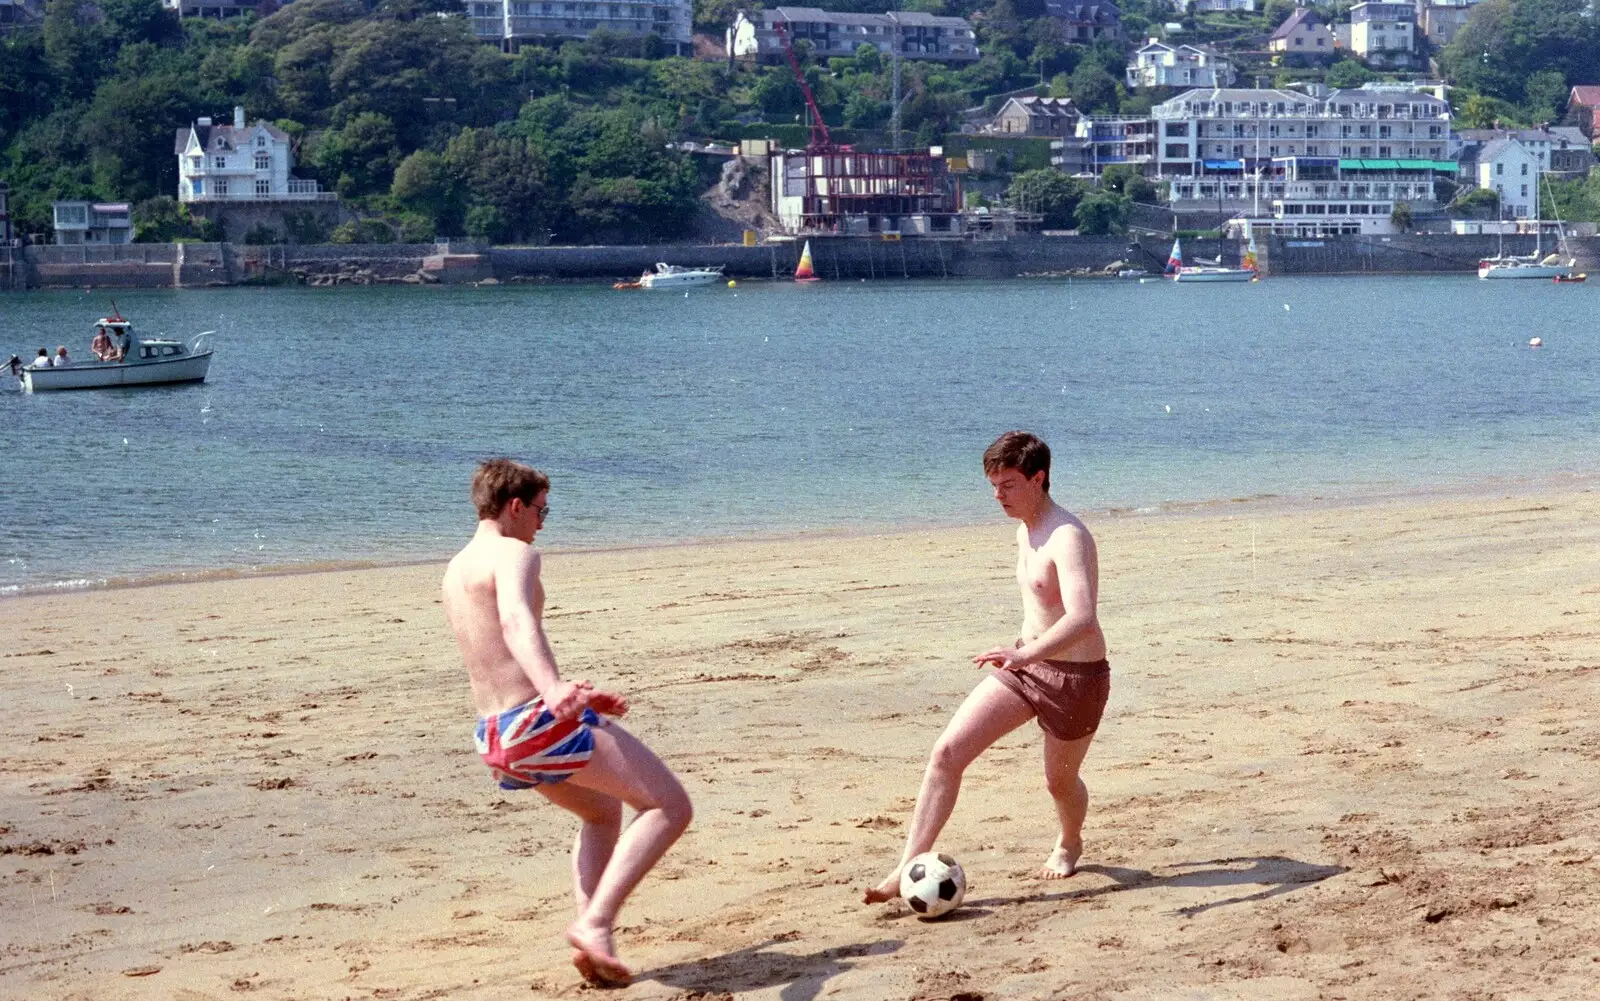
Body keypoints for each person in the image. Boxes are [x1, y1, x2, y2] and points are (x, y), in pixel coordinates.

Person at [441, 458, 691, 987]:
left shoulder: (456, 566)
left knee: (601, 814)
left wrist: (563, 689)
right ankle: (596, 924)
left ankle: (592, 943)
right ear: (514, 506)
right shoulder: (515, 553)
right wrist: (555, 690)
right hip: (534, 722)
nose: (542, 521)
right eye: (540, 510)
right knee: (669, 806)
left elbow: (494, 655)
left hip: (494, 735)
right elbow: (515, 620)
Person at [865, 431, 1111, 904]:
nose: (997, 496)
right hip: (1025, 667)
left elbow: (1083, 618)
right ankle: (904, 869)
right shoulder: (1024, 527)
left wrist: (1026, 653)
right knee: (947, 751)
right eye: (993, 485)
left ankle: (1070, 840)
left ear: (1038, 479)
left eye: (1008, 485)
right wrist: (1023, 655)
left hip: (1076, 679)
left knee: (1058, 782)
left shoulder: (1069, 537)